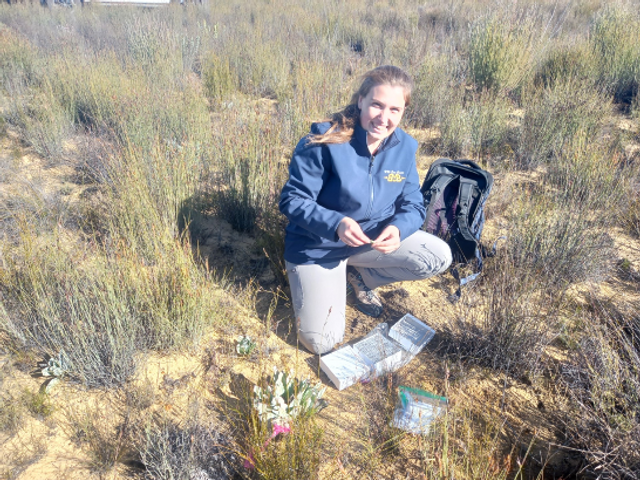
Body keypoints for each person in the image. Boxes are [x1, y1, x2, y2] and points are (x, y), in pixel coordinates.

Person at [279, 65, 452, 355]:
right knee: (321, 341)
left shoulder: (404, 147)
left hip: (368, 243)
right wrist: (336, 224)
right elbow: (293, 200)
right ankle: (326, 277)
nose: (384, 118)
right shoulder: (324, 140)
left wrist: (399, 229)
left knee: (436, 257)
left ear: (404, 112)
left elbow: (413, 204)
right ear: (361, 100)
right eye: (377, 105)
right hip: (318, 246)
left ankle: (357, 275)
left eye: (395, 110)